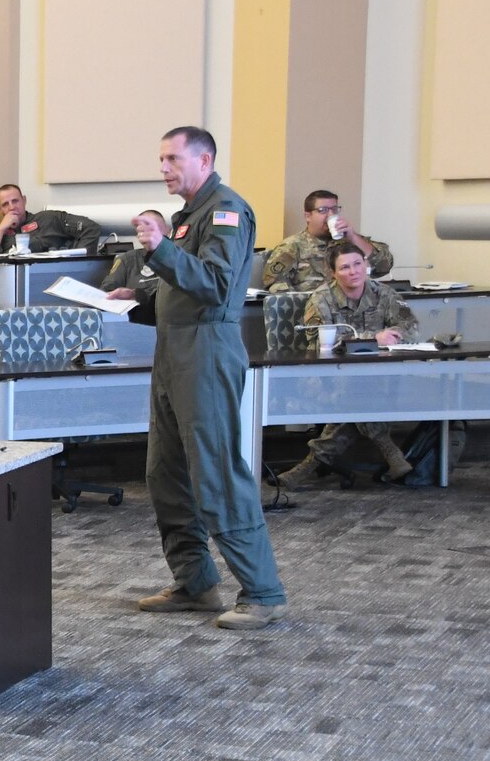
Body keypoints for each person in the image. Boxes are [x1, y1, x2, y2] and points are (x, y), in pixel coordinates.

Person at [132, 125, 286, 631]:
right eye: (161, 159)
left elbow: (218, 286)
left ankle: (262, 591)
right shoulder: (189, 216)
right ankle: (195, 583)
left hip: (207, 352)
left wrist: (159, 251)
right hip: (173, 349)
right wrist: (138, 301)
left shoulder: (226, 210)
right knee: (165, 472)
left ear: (204, 160)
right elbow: (182, 289)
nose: (164, 168)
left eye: (172, 159)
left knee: (216, 473)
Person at [276, 242, 420, 486]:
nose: (353, 271)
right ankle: (392, 453)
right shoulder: (321, 299)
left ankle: (310, 464)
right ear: (333, 273)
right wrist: (372, 338)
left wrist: (395, 332)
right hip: (326, 376)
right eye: (344, 267)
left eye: (357, 264)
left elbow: (411, 327)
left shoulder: (383, 293)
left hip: (375, 376)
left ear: (365, 264)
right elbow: (317, 341)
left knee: (361, 390)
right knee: (359, 391)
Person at [262, 189, 394, 292]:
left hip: (354, 312)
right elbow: (274, 284)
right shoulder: (292, 246)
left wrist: (353, 237)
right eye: (323, 210)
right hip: (312, 312)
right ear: (308, 216)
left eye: (334, 210)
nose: (330, 215)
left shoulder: (350, 241)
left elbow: (384, 266)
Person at [0, 184, 102, 255]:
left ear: (24, 200)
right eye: (5, 204)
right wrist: (1, 229)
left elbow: (91, 228)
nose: (12, 207)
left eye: (15, 201)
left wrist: (78, 262)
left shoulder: (49, 219)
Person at [102, 210, 170, 304]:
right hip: (137, 315)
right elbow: (106, 292)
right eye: (143, 230)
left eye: (154, 228)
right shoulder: (127, 259)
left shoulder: (181, 258)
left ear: (168, 230)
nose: (150, 234)